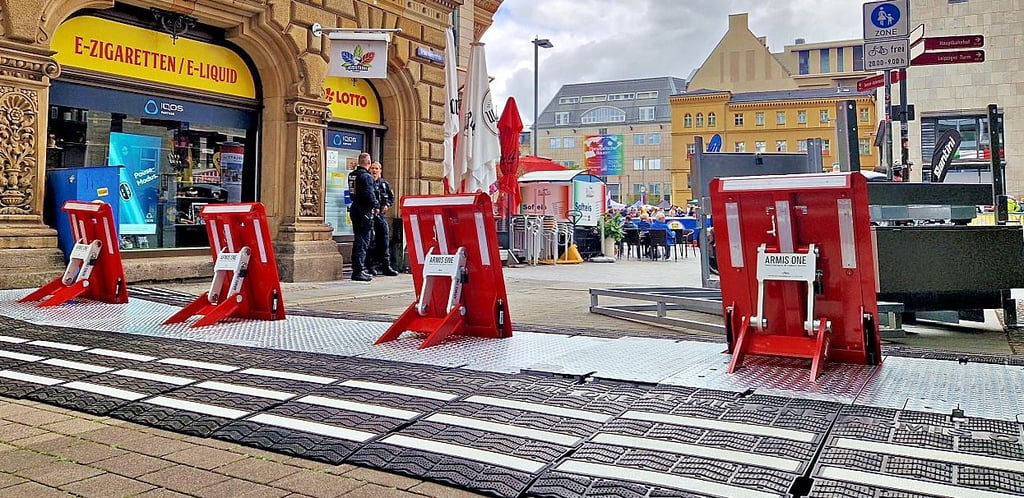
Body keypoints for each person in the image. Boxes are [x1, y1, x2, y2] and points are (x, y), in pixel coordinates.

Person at [347, 152, 379, 281]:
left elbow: (352, 192)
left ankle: (358, 269)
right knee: (363, 241)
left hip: (355, 207)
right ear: (368, 162)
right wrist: (376, 205)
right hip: (364, 210)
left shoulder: (352, 175)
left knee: (358, 239)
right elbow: (369, 194)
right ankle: (358, 270)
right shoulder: (366, 177)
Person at [368, 161, 398, 276]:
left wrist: (387, 205)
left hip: (380, 215)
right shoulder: (368, 182)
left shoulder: (384, 184)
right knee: (370, 241)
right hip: (369, 215)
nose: (374, 171)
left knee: (384, 239)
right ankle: (371, 266)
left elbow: (391, 197)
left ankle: (386, 265)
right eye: (372, 168)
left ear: (380, 170)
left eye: (376, 168)